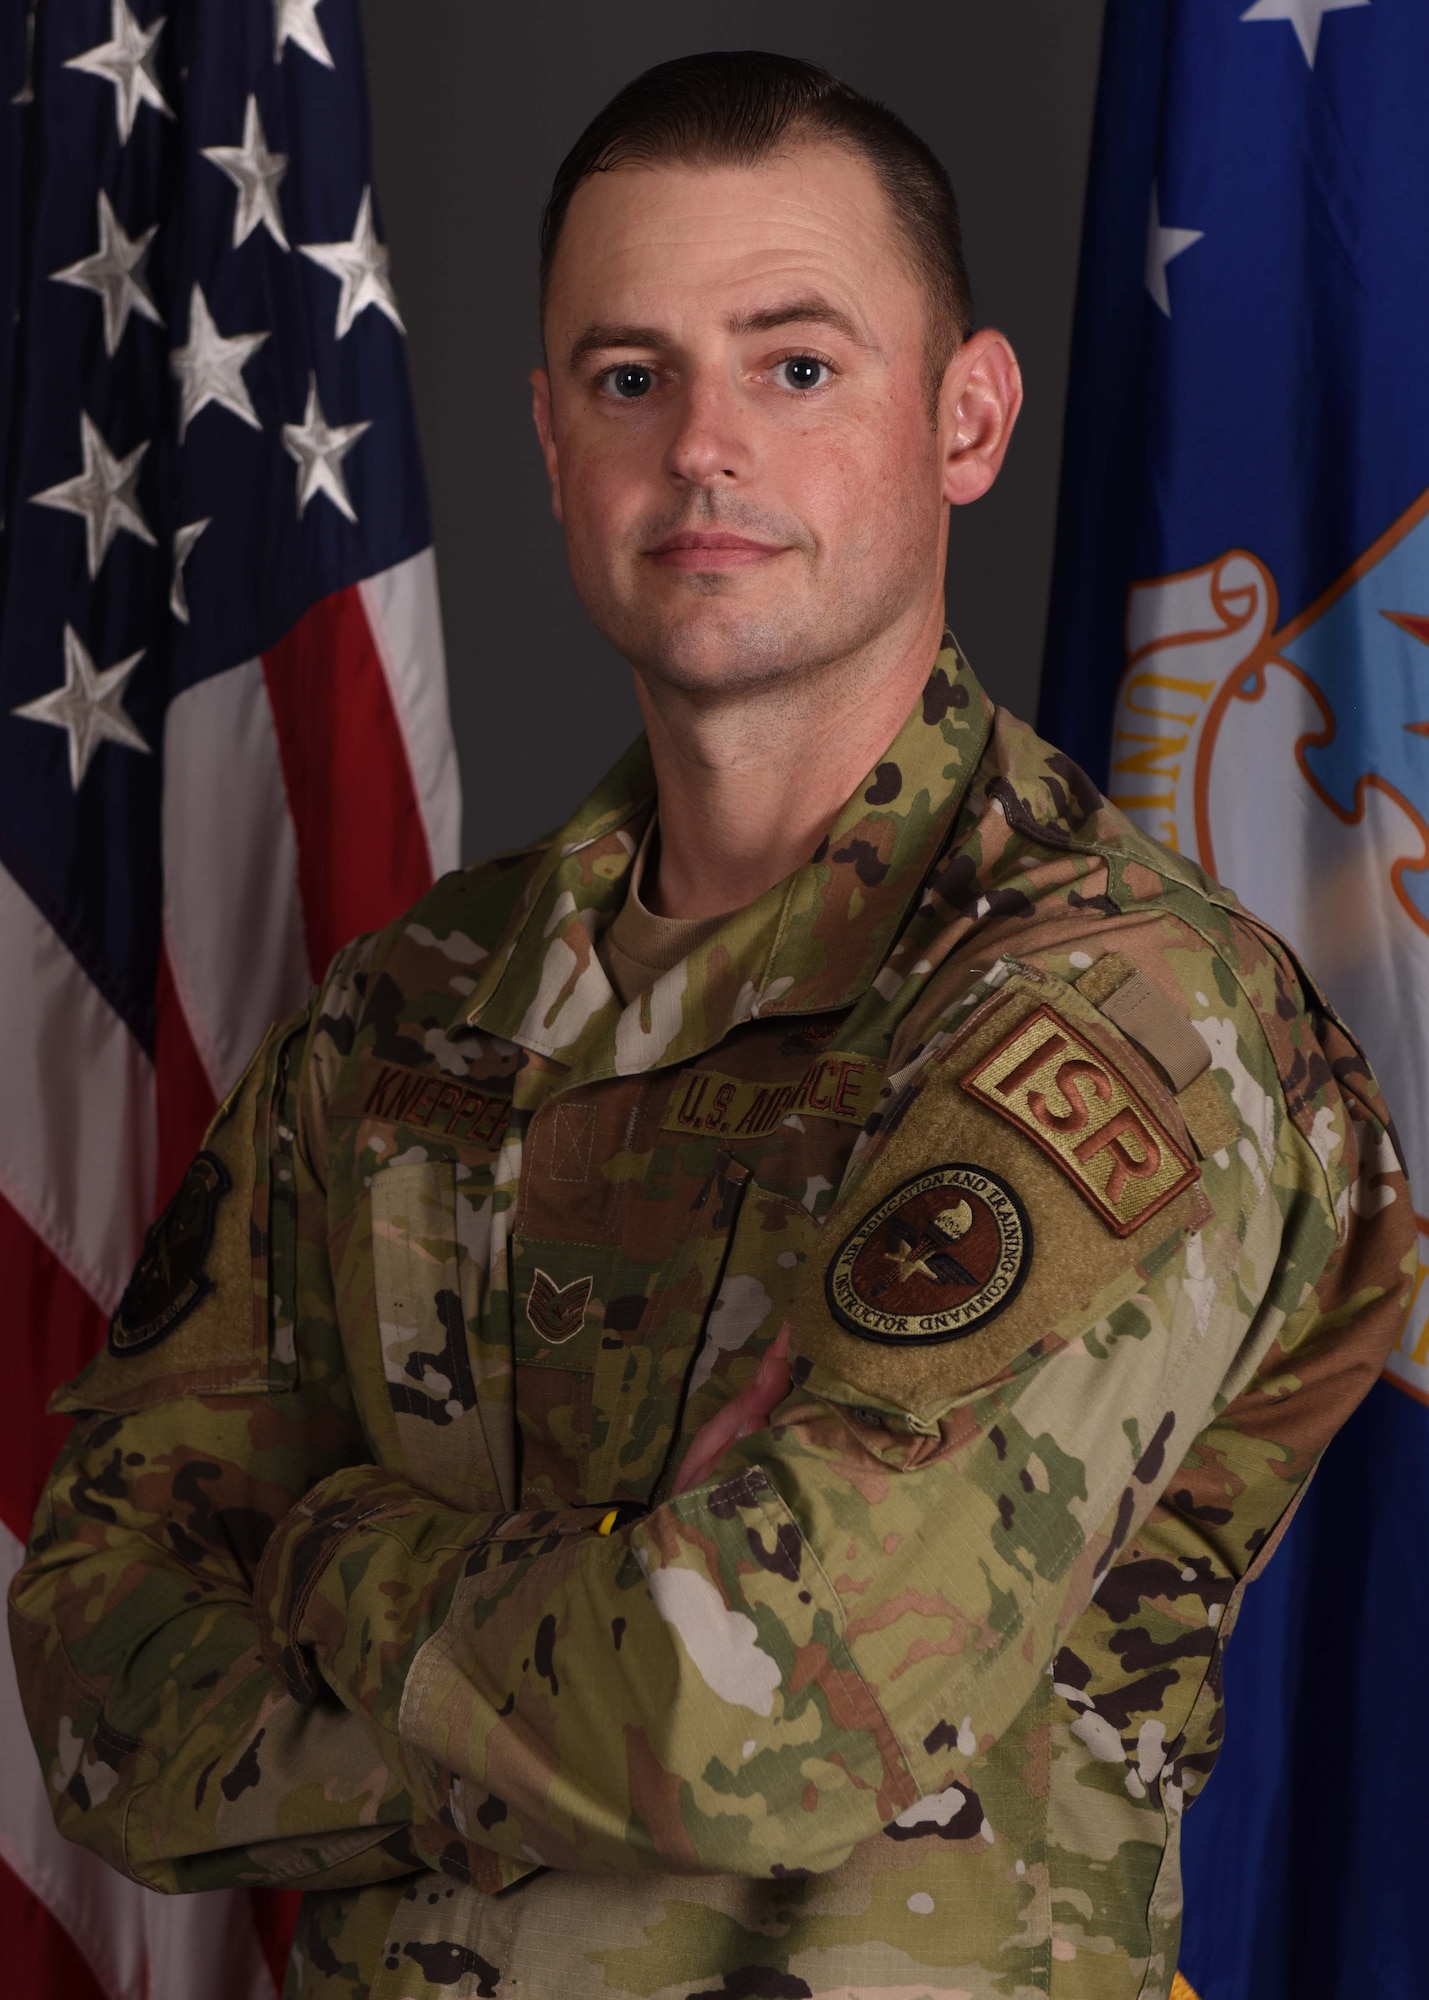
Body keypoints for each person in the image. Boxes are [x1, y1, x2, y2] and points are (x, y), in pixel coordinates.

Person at [10, 50, 1414, 2000]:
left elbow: (752, 1706)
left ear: (968, 416)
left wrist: (328, 1555)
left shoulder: (1118, 1010)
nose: (701, 450)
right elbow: (85, 1665)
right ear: (549, 434)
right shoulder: (403, 1017)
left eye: (797, 364)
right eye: (628, 375)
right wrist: (569, 1683)